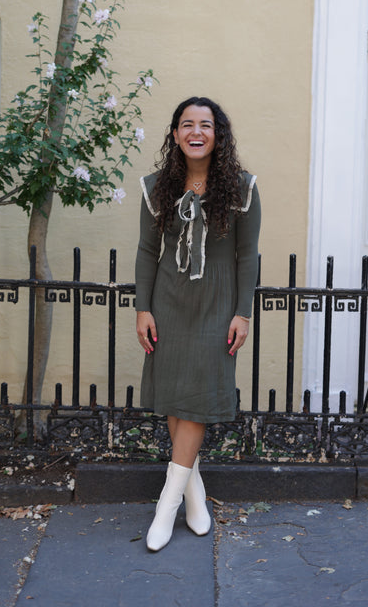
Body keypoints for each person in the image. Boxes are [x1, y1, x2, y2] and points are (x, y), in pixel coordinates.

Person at [135, 96, 261, 552]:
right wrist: (142, 308)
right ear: (175, 135)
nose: (196, 132)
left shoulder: (242, 188)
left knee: (197, 395)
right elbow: (148, 252)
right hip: (169, 303)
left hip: (218, 303)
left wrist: (242, 312)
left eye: (205, 125)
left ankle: (166, 503)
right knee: (176, 393)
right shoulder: (157, 188)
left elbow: (248, 256)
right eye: (187, 124)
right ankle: (194, 495)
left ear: (217, 134)